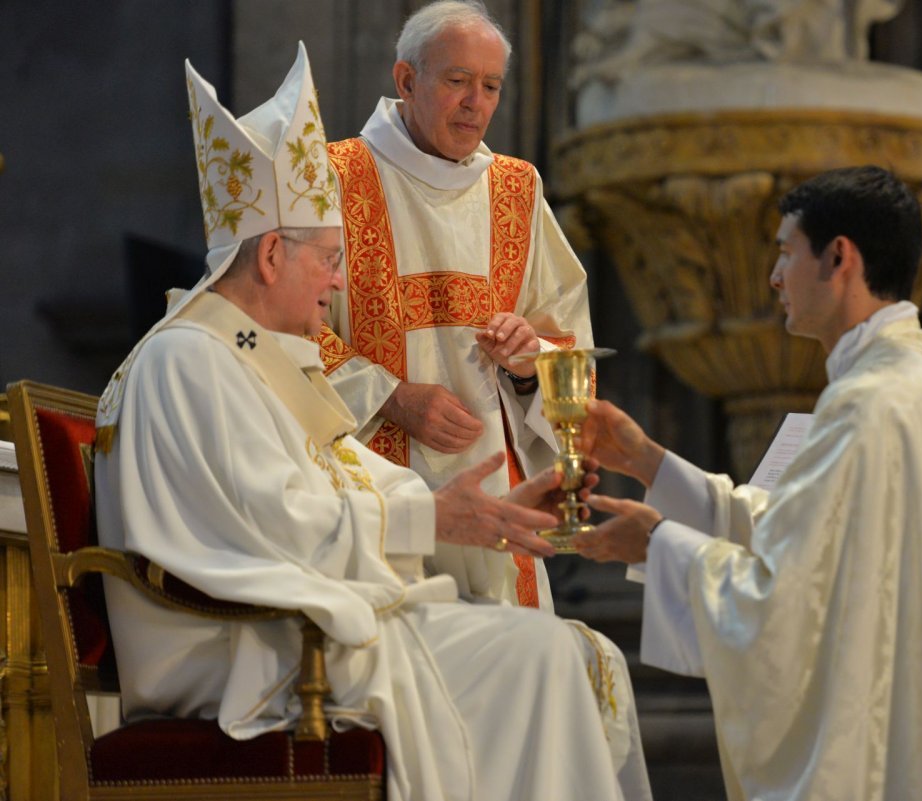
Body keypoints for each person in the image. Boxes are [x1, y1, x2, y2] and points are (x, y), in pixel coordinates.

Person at [94, 43, 650, 801]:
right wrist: (432, 514)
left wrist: (477, 511)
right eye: (326, 258)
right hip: (246, 647)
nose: (336, 278)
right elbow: (270, 518)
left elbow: (337, 469)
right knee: (541, 657)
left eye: (491, 85)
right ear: (267, 258)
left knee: (557, 653)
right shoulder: (190, 361)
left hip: (291, 625)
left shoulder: (249, 353)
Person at [573, 166, 922, 800]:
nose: (775, 277)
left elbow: (786, 602)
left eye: (785, 252)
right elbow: (805, 540)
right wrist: (648, 461)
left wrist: (659, 543)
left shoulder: (872, 402)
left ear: (839, 257)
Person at [315, 0, 591, 611]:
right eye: (458, 81)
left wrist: (528, 361)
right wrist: (392, 396)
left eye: (491, 86)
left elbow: (569, 348)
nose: (477, 103)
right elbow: (282, 329)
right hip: (372, 484)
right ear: (407, 80)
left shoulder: (518, 189)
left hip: (496, 484)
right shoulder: (333, 176)